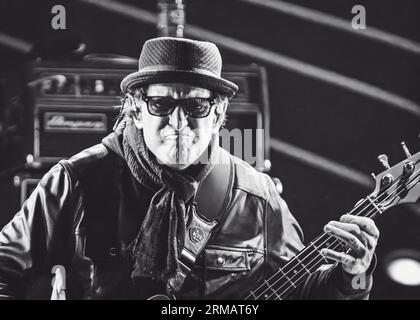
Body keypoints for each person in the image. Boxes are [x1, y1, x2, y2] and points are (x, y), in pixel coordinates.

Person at [0, 37, 379, 300]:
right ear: (134, 108)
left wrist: (350, 276)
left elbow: (302, 294)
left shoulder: (256, 197)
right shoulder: (75, 181)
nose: (179, 122)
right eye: (161, 105)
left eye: (196, 107)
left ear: (219, 115)